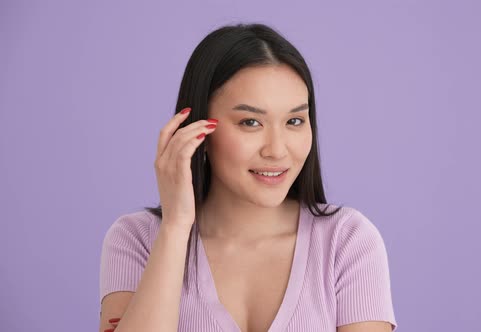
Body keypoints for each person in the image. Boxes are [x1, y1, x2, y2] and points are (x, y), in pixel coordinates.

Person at [98, 22, 398, 332]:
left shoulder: (347, 241)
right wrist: (175, 227)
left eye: (294, 120)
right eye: (251, 122)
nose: (277, 150)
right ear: (196, 129)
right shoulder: (136, 240)